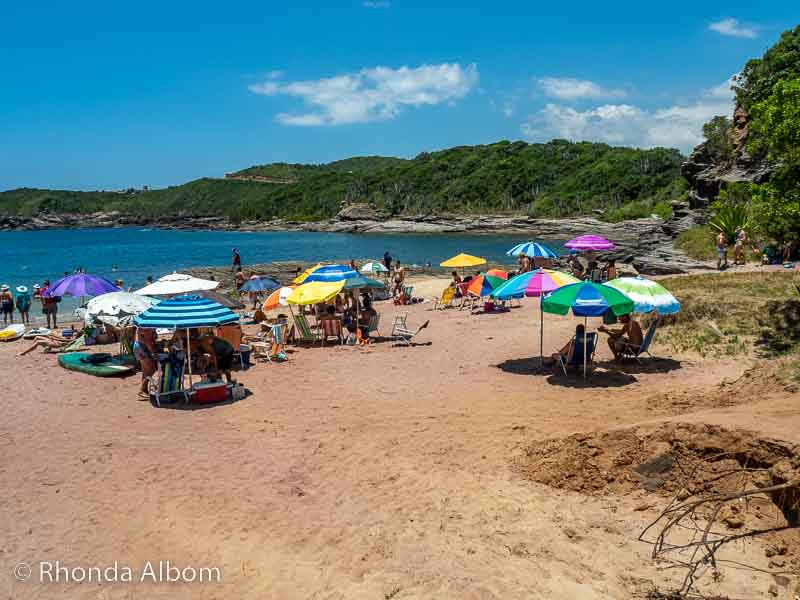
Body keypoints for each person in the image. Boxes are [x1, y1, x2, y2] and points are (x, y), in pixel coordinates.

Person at [133, 328, 159, 399]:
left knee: (146, 370)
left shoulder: (144, 326)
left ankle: (144, 390)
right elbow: (148, 342)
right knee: (151, 369)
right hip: (142, 347)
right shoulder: (147, 327)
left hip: (139, 346)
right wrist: (154, 353)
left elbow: (152, 338)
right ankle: (142, 389)